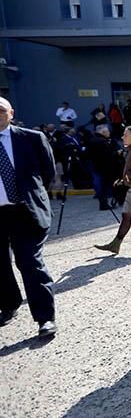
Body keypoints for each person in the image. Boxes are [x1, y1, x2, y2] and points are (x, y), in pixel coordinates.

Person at [0, 97, 58, 338]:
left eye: (1, 110)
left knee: (30, 264)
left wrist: (31, 197)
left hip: (25, 212)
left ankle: (45, 318)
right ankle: (9, 304)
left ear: (11, 112)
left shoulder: (32, 139)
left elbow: (47, 172)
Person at [87, 124, 120, 211]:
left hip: (96, 166)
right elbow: (108, 154)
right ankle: (104, 204)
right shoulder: (102, 142)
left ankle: (104, 203)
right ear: (103, 132)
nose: (109, 133)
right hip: (104, 167)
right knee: (104, 186)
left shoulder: (92, 140)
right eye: (107, 131)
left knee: (102, 185)